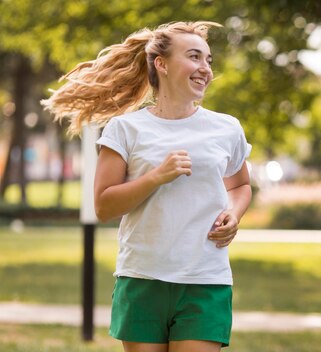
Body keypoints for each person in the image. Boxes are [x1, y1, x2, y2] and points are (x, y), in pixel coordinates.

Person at [42, 21, 252, 352]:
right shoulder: (125, 129)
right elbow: (104, 206)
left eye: (209, 60)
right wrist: (156, 176)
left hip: (205, 279)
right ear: (162, 64)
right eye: (195, 57)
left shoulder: (226, 128)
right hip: (142, 277)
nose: (205, 69)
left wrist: (234, 213)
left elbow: (239, 185)